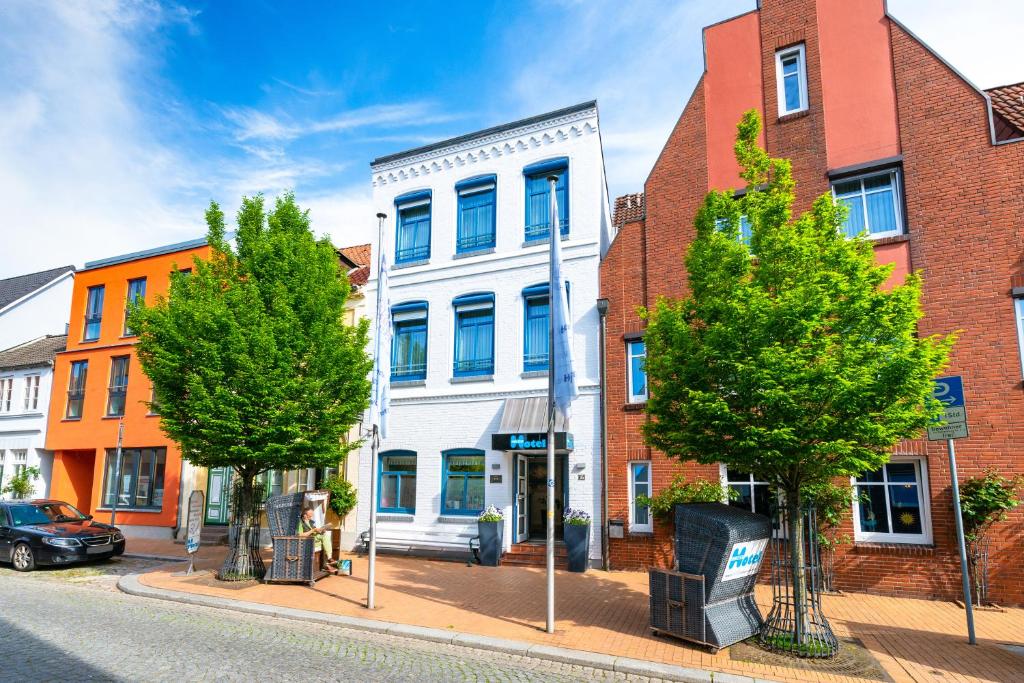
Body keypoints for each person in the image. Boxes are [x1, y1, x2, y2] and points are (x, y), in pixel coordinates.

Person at [297, 505, 337, 574]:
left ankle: (329, 559)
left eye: (312, 515)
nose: (311, 516)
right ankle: (327, 563)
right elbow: (300, 535)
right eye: (310, 515)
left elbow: (315, 530)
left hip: (314, 538)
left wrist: (321, 530)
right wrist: (313, 530)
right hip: (307, 540)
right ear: (305, 515)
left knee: (325, 536)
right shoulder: (300, 523)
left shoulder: (311, 522)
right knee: (324, 540)